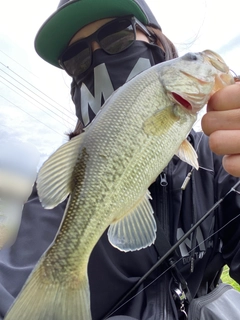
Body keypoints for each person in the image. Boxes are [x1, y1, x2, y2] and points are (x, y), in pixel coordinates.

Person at [0, 0, 240, 319]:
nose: (97, 59)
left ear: (158, 45)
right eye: (76, 59)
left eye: (117, 37)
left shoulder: (219, 161)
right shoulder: (60, 203)